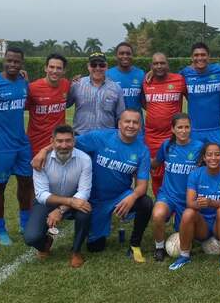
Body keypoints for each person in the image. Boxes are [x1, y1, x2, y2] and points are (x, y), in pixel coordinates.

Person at [33, 109, 155, 261]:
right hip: (92, 198)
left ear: (140, 125)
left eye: (135, 122)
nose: (131, 125)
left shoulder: (142, 150)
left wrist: (133, 197)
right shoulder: (100, 137)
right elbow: (68, 142)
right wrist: (44, 151)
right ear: (119, 124)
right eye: (127, 121)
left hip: (119, 196)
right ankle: (96, 228)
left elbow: (142, 185)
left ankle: (134, 245)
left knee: (146, 202)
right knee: (95, 247)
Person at [25, 124, 93, 268]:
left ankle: (76, 251)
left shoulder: (85, 159)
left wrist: (61, 209)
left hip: (75, 201)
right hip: (49, 202)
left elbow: (84, 192)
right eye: (59, 141)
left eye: (68, 141)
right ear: (52, 142)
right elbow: (42, 195)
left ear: (74, 142)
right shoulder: (40, 160)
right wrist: (68, 202)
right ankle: (45, 244)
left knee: (85, 211)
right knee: (31, 238)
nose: (64, 145)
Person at [0, 46, 33, 241]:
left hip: (21, 143)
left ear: (21, 63)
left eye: (17, 61)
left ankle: (24, 222)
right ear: (3, 61)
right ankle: (1, 228)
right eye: (9, 61)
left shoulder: (23, 81)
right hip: (0, 145)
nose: (13, 64)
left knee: (26, 182)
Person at [170, 142, 220, 272]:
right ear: (204, 158)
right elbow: (190, 202)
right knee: (188, 212)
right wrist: (200, 203)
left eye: (217, 155)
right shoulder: (196, 174)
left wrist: (210, 202)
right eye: (209, 155)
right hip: (202, 225)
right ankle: (184, 256)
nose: (213, 158)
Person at [150, 113, 204, 261]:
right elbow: (155, 163)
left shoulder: (199, 147)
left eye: (187, 127)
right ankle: (159, 248)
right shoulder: (167, 146)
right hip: (168, 195)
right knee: (158, 215)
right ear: (173, 129)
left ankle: (187, 233)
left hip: (189, 199)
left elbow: (207, 172)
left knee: (190, 237)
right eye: (179, 127)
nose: (183, 131)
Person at [141, 52, 187, 194]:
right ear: (151, 66)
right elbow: (144, 103)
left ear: (168, 64)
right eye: (155, 64)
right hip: (152, 136)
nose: (159, 66)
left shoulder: (179, 80)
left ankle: (176, 202)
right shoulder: (146, 81)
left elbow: (194, 100)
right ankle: (160, 201)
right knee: (155, 170)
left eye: (162, 63)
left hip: (174, 136)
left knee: (176, 169)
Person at [179, 42, 220, 155]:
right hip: (194, 130)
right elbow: (168, 79)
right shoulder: (185, 73)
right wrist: (152, 71)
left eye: (203, 55)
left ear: (209, 56)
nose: (200, 58)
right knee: (195, 165)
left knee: (218, 165)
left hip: (216, 129)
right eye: (196, 55)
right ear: (191, 57)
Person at [67, 51, 125, 135]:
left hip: (106, 139)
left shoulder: (116, 88)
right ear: (88, 66)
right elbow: (65, 104)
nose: (98, 68)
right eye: (93, 65)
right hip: (81, 137)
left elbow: (121, 116)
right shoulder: (77, 85)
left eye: (101, 65)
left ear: (106, 67)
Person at [26, 53, 70, 154]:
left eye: (59, 68)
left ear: (64, 71)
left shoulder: (66, 84)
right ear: (45, 68)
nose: (54, 71)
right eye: (51, 67)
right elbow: (17, 108)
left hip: (58, 145)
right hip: (36, 144)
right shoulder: (32, 88)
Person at [107, 41, 146, 114]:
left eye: (128, 54)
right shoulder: (108, 74)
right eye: (121, 53)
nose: (125, 56)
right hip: (115, 122)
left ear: (132, 56)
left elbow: (145, 101)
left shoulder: (141, 74)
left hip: (135, 122)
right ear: (116, 56)